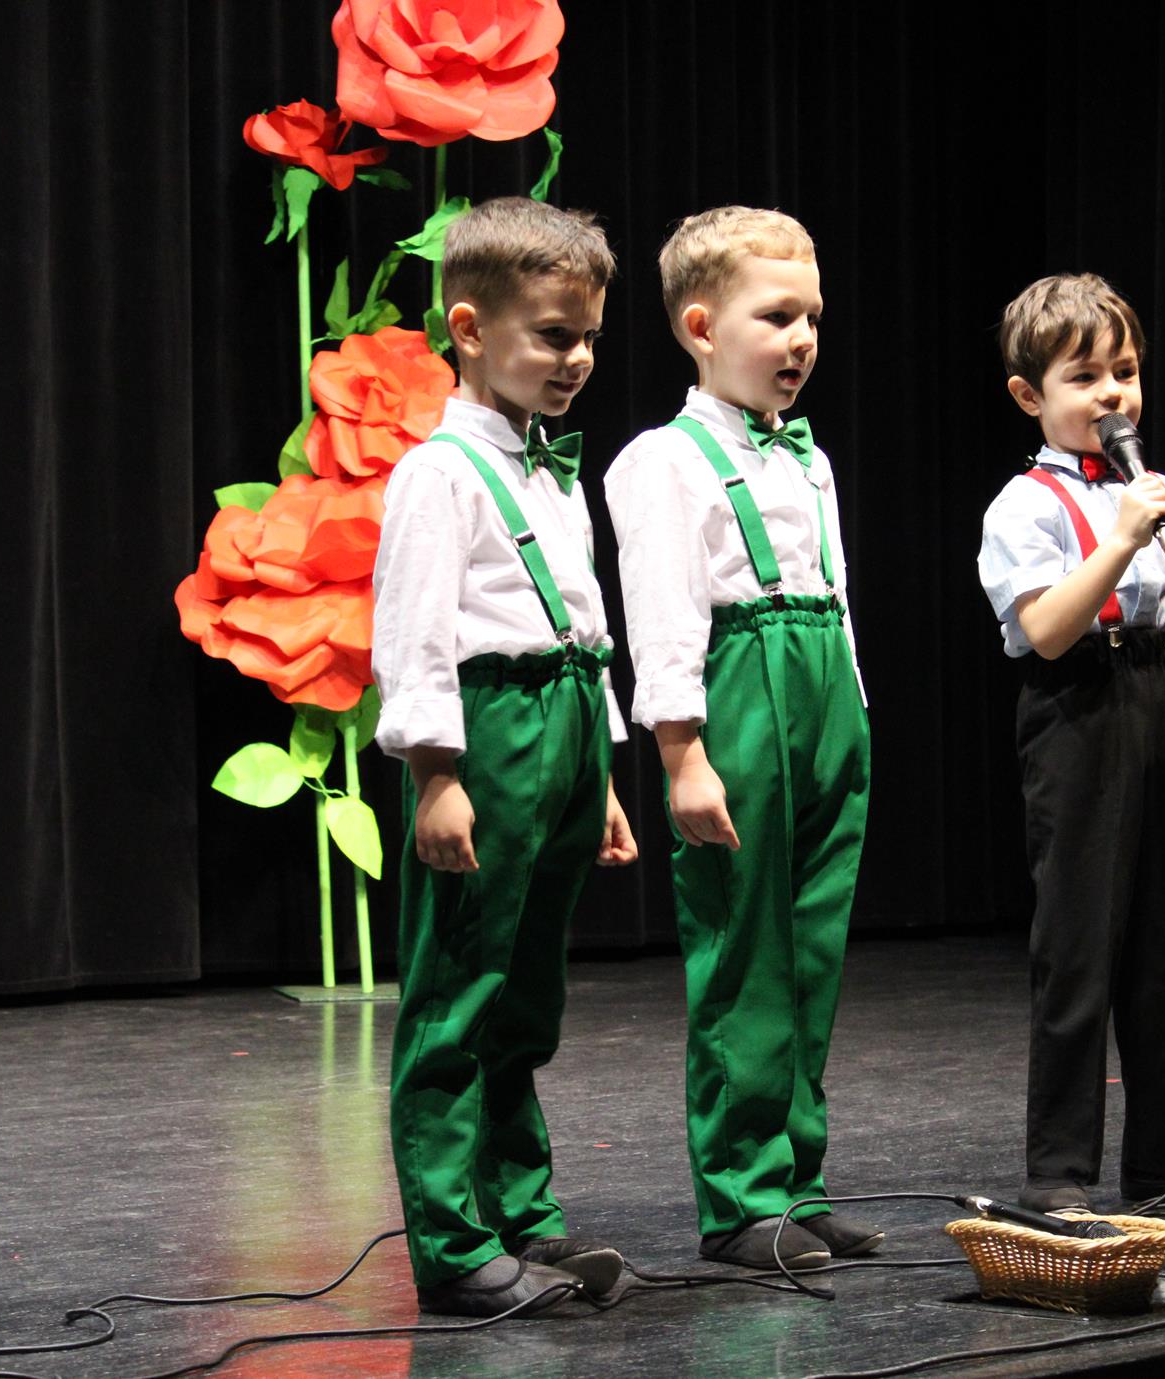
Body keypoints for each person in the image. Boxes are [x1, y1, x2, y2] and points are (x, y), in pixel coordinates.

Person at [372, 197, 639, 1317]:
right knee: (461, 989)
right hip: (487, 728)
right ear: (471, 329)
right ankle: (452, 1241)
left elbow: (580, 614)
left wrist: (604, 770)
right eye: (552, 335)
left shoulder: (550, 467)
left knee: (527, 994)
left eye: (588, 338)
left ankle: (521, 1212)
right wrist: (436, 774)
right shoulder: (437, 474)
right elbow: (414, 635)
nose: (576, 359)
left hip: (565, 724)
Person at [604, 206, 877, 1271]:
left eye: (813, 316)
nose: (802, 338)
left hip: (824, 699)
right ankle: (740, 1201)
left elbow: (834, 592)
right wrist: (682, 757)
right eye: (777, 316)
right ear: (701, 326)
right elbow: (664, 619)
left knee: (810, 951)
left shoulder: (809, 459)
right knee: (743, 954)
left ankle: (799, 1180)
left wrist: (853, 713)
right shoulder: (661, 462)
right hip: (740, 696)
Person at [975, 273, 1165, 1215]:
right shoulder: (1024, 506)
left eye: (1126, 372)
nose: (1112, 394)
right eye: (1085, 377)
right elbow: (1047, 630)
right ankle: (1059, 1173)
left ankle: (1161, 1168)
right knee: (1080, 950)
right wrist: (1116, 540)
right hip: (1081, 709)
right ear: (1030, 395)